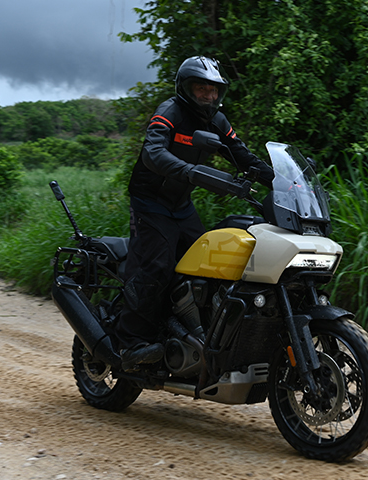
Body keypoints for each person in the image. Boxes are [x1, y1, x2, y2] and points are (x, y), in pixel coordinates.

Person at [116, 56, 274, 371]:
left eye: (214, 90)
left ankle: (189, 329)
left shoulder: (216, 121)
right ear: (186, 87)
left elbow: (242, 156)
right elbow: (153, 152)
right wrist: (188, 171)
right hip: (150, 200)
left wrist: (283, 181)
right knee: (157, 264)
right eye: (201, 88)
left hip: (180, 204)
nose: (208, 96)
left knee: (203, 264)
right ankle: (130, 342)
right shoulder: (169, 112)